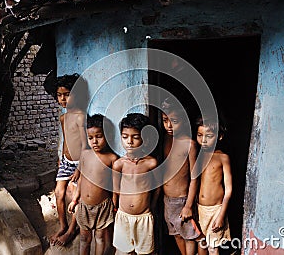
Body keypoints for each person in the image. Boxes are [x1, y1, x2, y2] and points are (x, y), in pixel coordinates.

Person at [67, 114, 118, 254]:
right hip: (84, 205)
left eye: (99, 136)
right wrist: (75, 200)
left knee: (100, 237)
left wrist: (114, 203)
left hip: (103, 206)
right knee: (84, 238)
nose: (94, 141)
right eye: (90, 138)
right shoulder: (85, 155)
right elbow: (81, 179)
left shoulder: (111, 158)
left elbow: (114, 184)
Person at [48, 73, 87, 246]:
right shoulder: (63, 118)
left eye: (67, 94)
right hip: (66, 162)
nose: (63, 98)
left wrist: (80, 169)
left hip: (80, 164)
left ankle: (71, 231)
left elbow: (86, 146)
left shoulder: (80, 117)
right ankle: (63, 225)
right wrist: (61, 157)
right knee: (59, 192)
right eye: (60, 95)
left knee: (76, 198)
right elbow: (65, 139)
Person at [112, 113, 160, 255]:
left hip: (144, 217)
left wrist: (152, 205)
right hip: (123, 216)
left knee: (145, 252)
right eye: (125, 137)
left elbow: (157, 187)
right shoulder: (119, 164)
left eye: (135, 137)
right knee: (123, 252)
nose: (130, 142)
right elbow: (116, 188)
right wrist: (115, 207)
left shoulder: (151, 163)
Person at [161, 97, 201, 255]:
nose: (169, 126)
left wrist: (188, 205)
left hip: (182, 200)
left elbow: (194, 177)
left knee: (188, 236)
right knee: (176, 234)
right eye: (165, 120)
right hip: (167, 200)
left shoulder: (189, 145)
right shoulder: (165, 139)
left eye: (174, 120)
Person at [195, 116, 232, 255]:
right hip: (200, 209)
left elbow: (228, 190)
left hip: (216, 210)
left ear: (220, 136)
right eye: (200, 135)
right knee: (202, 242)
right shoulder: (198, 156)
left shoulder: (222, 158)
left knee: (213, 247)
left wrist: (221, 215)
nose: (203, 140)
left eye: (209, 136)